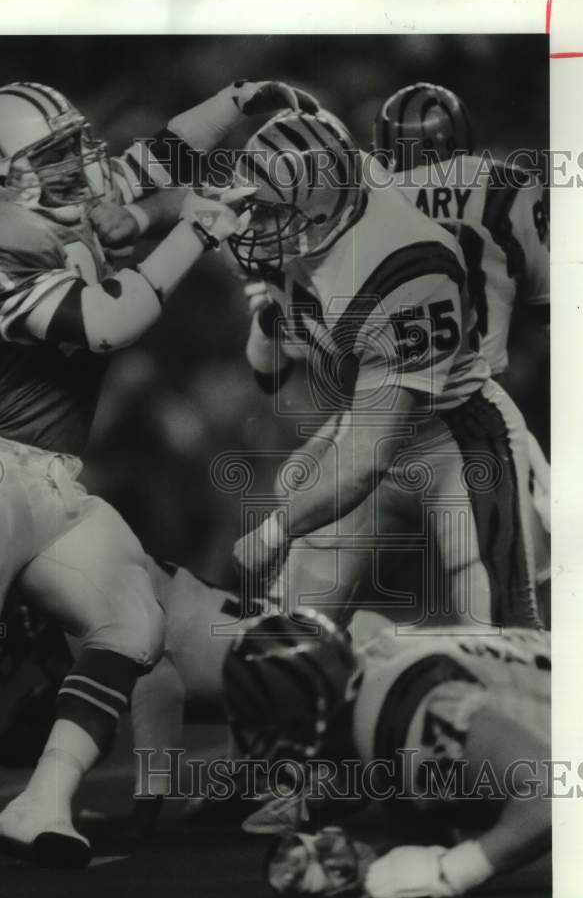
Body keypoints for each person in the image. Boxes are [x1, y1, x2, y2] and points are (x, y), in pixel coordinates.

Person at [0, 78, 312, 871]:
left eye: (76, 145)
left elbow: (164, 151)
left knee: (133, 620)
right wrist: (193, 231)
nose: (81, 165)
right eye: (53, 155)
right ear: (4, 170)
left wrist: (241, 97)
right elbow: (103, 324)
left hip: (53, 480)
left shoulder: (65, 200)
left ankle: (41, 802)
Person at [230, 108, 542, 631]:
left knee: (504, 638)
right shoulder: (323, 203)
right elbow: (269, 373)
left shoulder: (404, 267)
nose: (251, 226)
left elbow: (366, 458)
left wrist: (273, 532)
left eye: (268, 213)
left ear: (322, 214)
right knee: (281, 645)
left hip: (455, 439)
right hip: (369, 415)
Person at [223, 609, 553, 898]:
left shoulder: (402, 719)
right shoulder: (379, 680)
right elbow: (423, 816)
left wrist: (451, 872)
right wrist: (378, 863)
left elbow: (552, 792)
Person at [373, 81, 551, 599]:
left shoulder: (364, 195)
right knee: (510, 615)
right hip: (477, 422)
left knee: (300, 610)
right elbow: (550, 311)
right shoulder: (511, 187)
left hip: (375, 414)